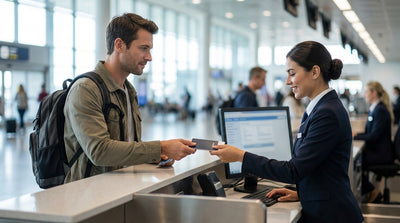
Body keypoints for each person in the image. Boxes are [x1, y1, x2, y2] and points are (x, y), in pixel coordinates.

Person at [210, 41, 363, 223]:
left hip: (332, 215)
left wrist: (240, 156)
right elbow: (319, 168)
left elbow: (293, 171)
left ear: (315, 72)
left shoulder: (327, 113)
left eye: (292, 73)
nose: (287, 81)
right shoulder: (321, 108)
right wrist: (301, 192)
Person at [63, 13, 196, 183]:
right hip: (88, 195)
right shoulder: (86, 89)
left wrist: (155, 155)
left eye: (150, 49)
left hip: (121, 189)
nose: (149, 57)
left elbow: (127, 144)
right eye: (143, 48)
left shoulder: (129, 90)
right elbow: (99, 151)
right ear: (119, 45)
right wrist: (160, 147)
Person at [353, 81, 395, 203]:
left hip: (381, 154)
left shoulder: (379, 110)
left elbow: (374, 136)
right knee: (357, 160)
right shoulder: (375, 108)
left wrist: (355, 138)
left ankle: (372, 191)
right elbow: (370, 133)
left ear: (374, 93)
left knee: (355, 163)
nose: (364, 94)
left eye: (366, 91)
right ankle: (370, 191)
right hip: (378, 150)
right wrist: (356, 135)